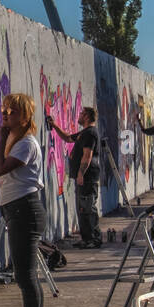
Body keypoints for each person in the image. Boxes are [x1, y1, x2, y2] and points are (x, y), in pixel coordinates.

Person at [0, 93, 47, 307]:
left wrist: (2, 135)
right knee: (27, 276)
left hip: (25, 211)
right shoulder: (17, 141)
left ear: (25, 117)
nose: (5, 114)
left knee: (25, 276)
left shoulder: (25, 143)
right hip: (18, 211)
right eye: (4, 110)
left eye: (12, 112)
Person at [47, 106, 102, 248]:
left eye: (82, 113)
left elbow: (87, 155)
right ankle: (87, 238)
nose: (79, 115)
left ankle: (92, 239)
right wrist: (54, 125)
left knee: (87, 207)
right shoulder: (84, 133)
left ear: (88, 117)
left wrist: (81, 173)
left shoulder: (90, 133)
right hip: (85, 177)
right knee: (83, 207)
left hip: (87, 177)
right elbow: (67, 138)